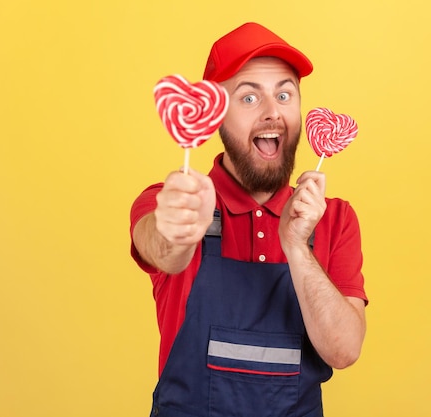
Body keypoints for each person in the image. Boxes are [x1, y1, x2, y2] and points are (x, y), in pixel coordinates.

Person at [130, 22, 368, 417]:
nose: (273, 112)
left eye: (284, 93)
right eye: (248, 98)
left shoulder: (334, 218)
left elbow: (344, 351)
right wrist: (176, 226)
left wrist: (297, 245)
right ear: (214, 115)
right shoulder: (170, 201)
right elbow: (161, 247)